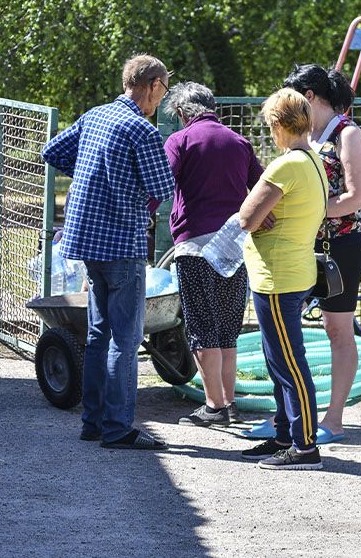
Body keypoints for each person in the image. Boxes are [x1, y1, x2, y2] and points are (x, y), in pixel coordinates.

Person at [41, 54, 176, 450]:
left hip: (85, 242)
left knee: (98, 335)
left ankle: (93, 421)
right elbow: (163, 187)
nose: (162, 99)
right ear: (151, 85)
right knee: (125, 340)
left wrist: (90, 174)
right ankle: (118, 428)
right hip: (122, 244)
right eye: (163, 90)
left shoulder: (95, 116)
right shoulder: (142, 130)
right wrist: (120, 185)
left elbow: (53, 150)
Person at [237, 88, 329, 470]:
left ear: (278, 125)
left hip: (279, 278)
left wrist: (256, 213)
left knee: (289, 364)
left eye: (269, 127)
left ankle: (305, 447)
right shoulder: (314, 160)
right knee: (279, 361)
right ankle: (283, 434)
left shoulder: (286, 165)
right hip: (295, 271)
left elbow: (246, 218)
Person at [163, 82, 264, 427]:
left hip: (193, 246)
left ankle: (213, 406)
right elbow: (262, 187)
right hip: (234, 247)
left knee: (201, 327)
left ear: (181, 112)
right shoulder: (239, 142)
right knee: (226, 329)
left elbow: (161, 185)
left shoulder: (180, 141)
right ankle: (230, 403)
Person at [282, 64, 361, 443]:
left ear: (311, 97)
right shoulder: (301, 134)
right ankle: (288, 415)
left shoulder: (347, 133)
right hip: (300, 244)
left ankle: (333, 420)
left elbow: (356, 197)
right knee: (284, 329)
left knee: (338, 330)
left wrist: (309, 209)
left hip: (340, 248)